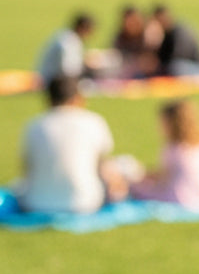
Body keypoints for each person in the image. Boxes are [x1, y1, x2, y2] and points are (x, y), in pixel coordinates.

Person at [17, 75, 128, 214]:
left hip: (36, 203)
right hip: (84, 203)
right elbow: (105, 168)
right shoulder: (93, 122)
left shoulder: (34, 125)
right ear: (78, 98)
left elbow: (27, 169)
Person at [130, 98, 199, 211]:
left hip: (181, 199)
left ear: (171, 124)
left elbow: (163, 178)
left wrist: (140, 176)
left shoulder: (174, 148)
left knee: (133, 188)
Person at [34, 12, 95, 84]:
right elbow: (67, 69)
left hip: (55, 76)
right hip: (52, 79)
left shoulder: (68, 36)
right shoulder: (67, 42)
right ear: (82, 28)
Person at [151, 4, 199, 76]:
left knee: (175, 67)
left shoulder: (181, 32)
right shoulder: (166, 33)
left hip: (195, 66)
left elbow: (179, 55)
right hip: (181, 65)